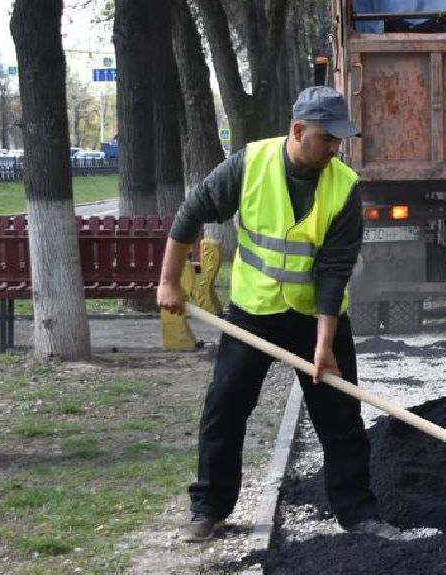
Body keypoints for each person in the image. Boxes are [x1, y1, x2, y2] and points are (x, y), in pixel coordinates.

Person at [157, 86, 396, 543]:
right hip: (254, 312)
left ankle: (358, 513)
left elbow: (333, 272)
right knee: (225, 408)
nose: (334, 149)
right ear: (298, 131)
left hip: (316, 318)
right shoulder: (250, 165)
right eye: (327, 139)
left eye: (339, 140)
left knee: (340, 418)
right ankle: (209, 508)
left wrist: (324, 348)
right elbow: (191, 213)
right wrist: (169, 281)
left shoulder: (344, 187)